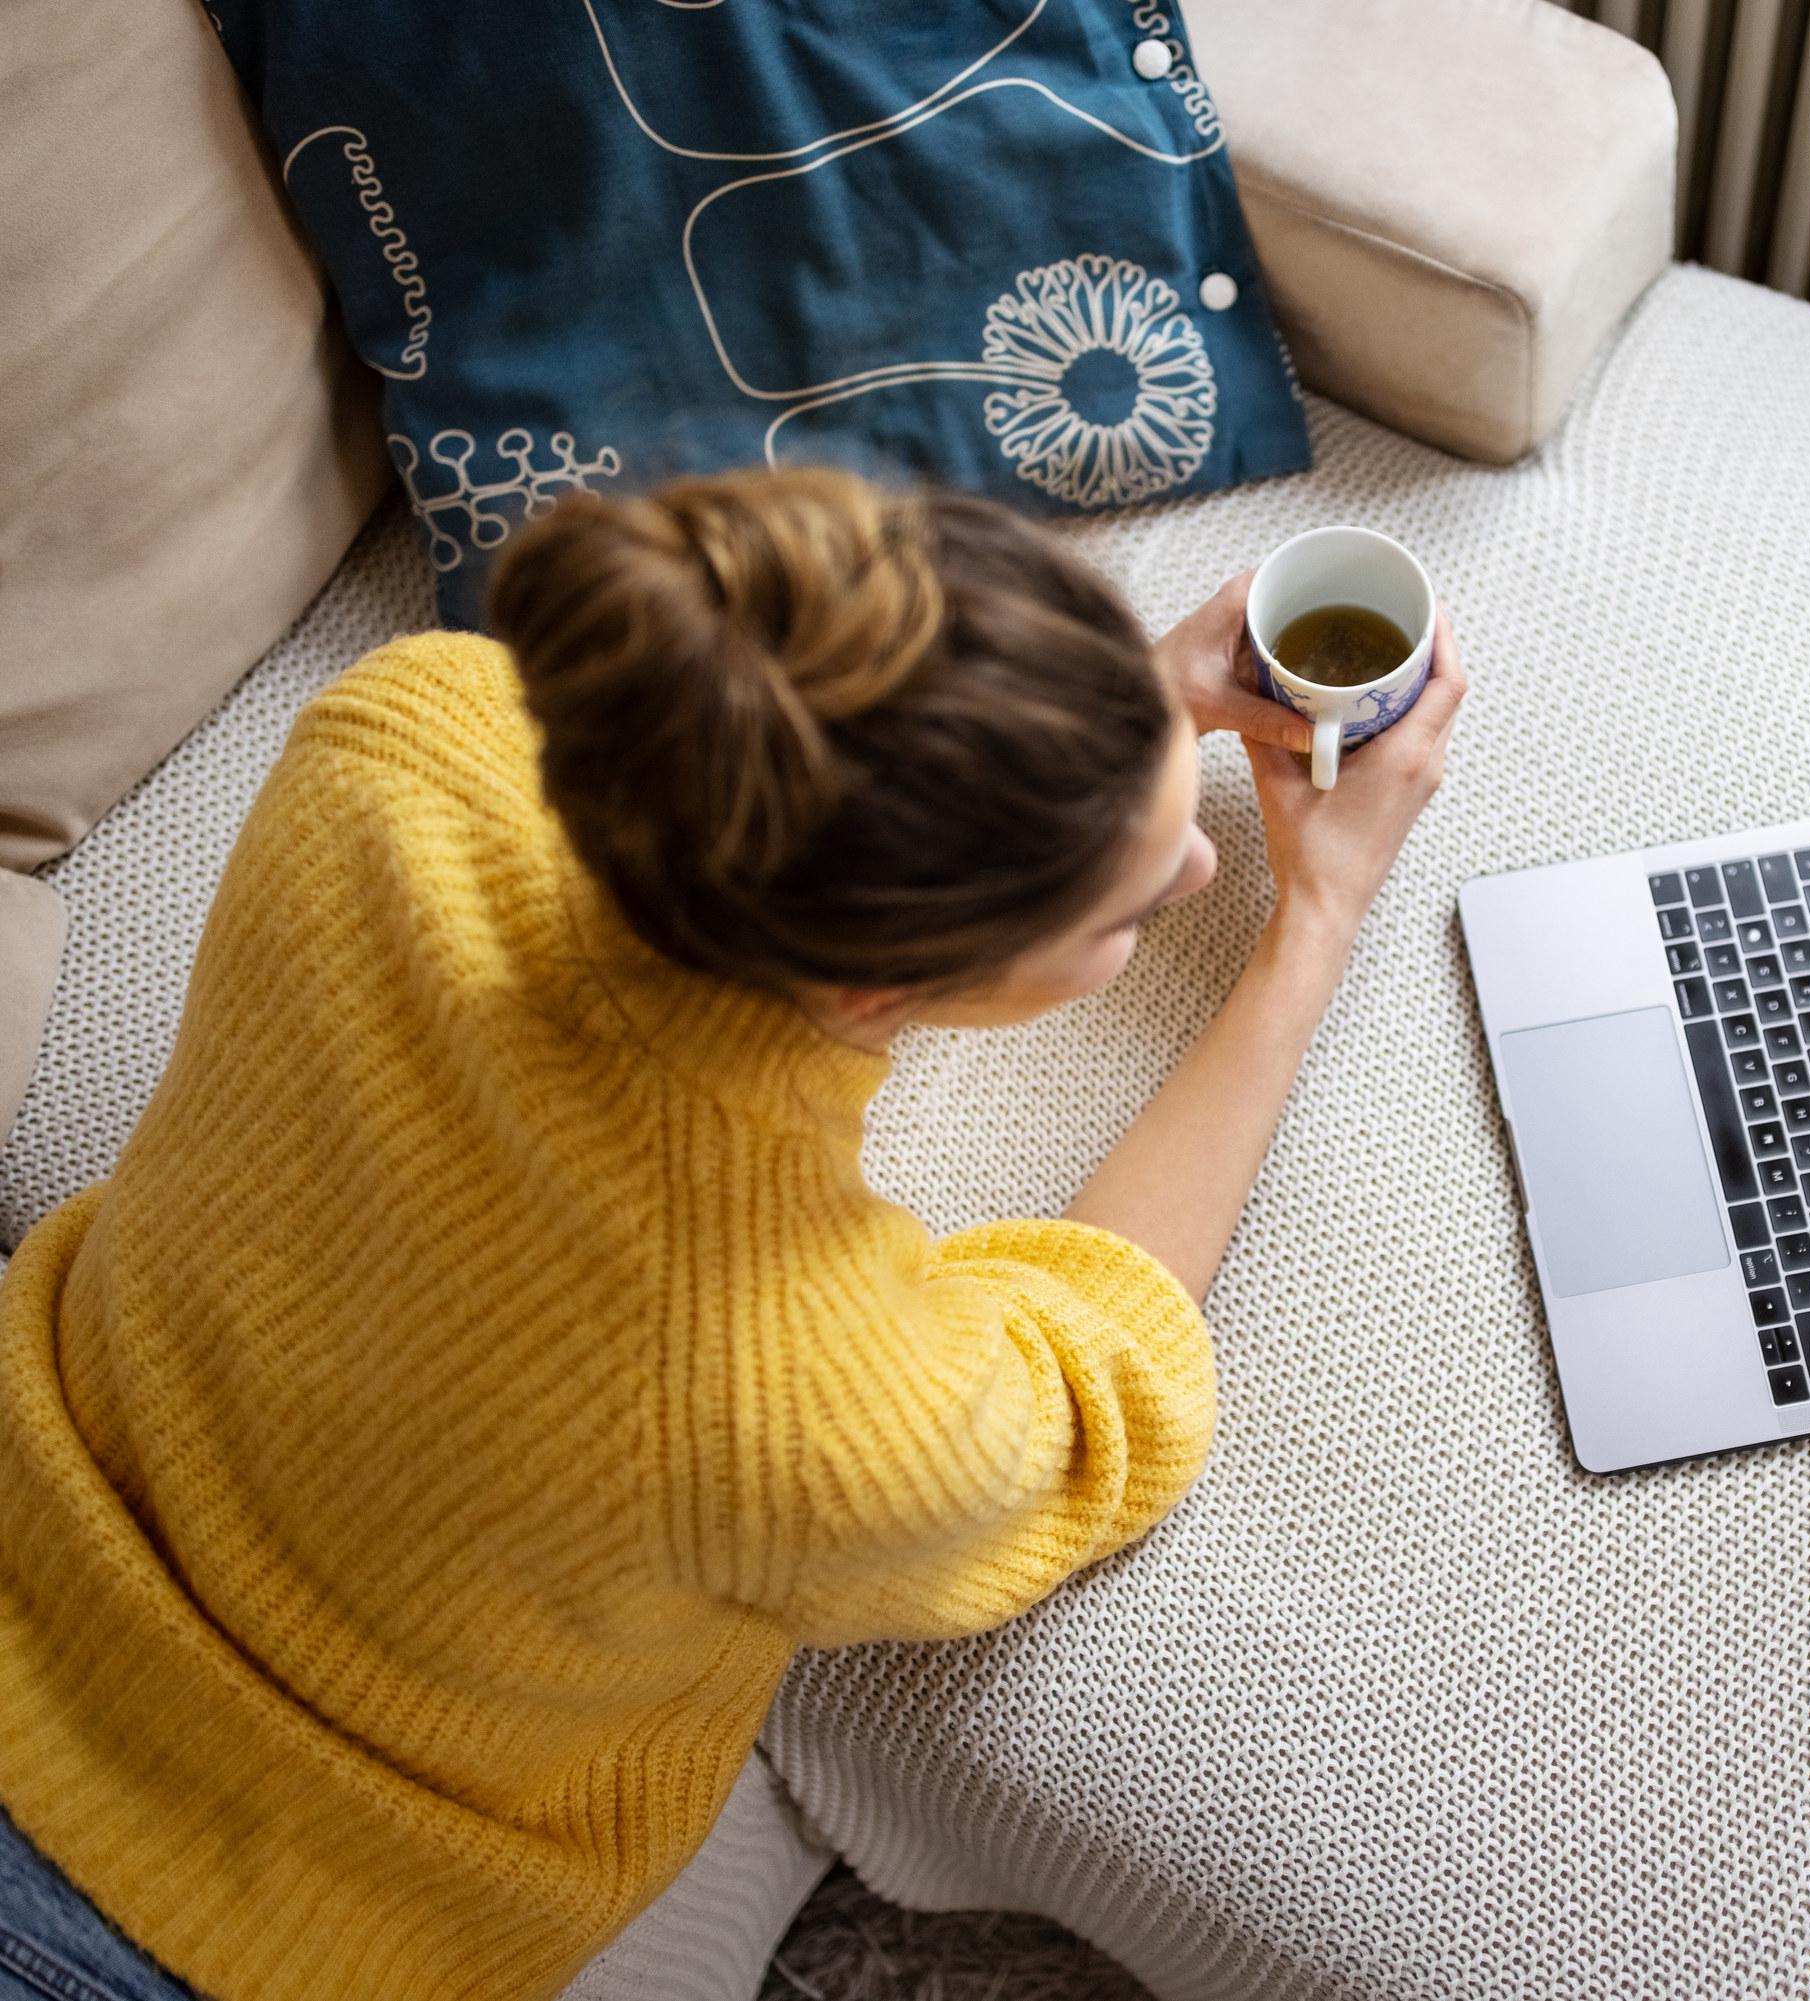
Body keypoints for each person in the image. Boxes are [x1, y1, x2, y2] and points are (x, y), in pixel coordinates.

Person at [0, 467, 1466, 2001]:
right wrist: (1317, 923)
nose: (1197, 870)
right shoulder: (804, 1402)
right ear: (867, 992)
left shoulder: (407, 736)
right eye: (1124, 909)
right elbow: (1099, 1385)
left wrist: (1076, 735)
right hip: (189, 1923)